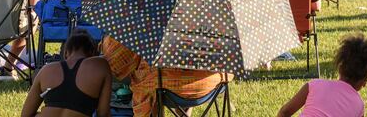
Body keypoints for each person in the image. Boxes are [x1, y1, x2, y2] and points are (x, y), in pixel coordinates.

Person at [102, 35, 230, 116]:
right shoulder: (214, 15)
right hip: (213, 82)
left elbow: (114, 60)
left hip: (163, 86)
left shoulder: (148, 15)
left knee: (145, 75)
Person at [277, 34, 367, 117]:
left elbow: (284, 112)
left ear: (340, 68)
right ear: (364, 82)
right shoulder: (359, 105)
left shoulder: (314, 85)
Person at [21, 30, 112, 117]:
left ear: (65, 53)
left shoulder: (46, 69)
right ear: (92, 52)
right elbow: (103, 113)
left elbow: (25, 114)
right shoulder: (101, 65)